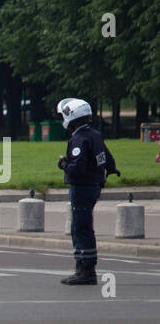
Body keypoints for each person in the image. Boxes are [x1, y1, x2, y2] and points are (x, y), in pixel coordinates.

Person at [57, 97, 119, 285]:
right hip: (94, 186)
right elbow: (106, 156)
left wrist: (63, 164)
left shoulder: (79, 139)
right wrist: (112, 168)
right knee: (82, 226)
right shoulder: (94, 134)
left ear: (72, 116)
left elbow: (77, 168)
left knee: (80, 228)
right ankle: (82, 268)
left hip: (82, 187)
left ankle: (86, 270)